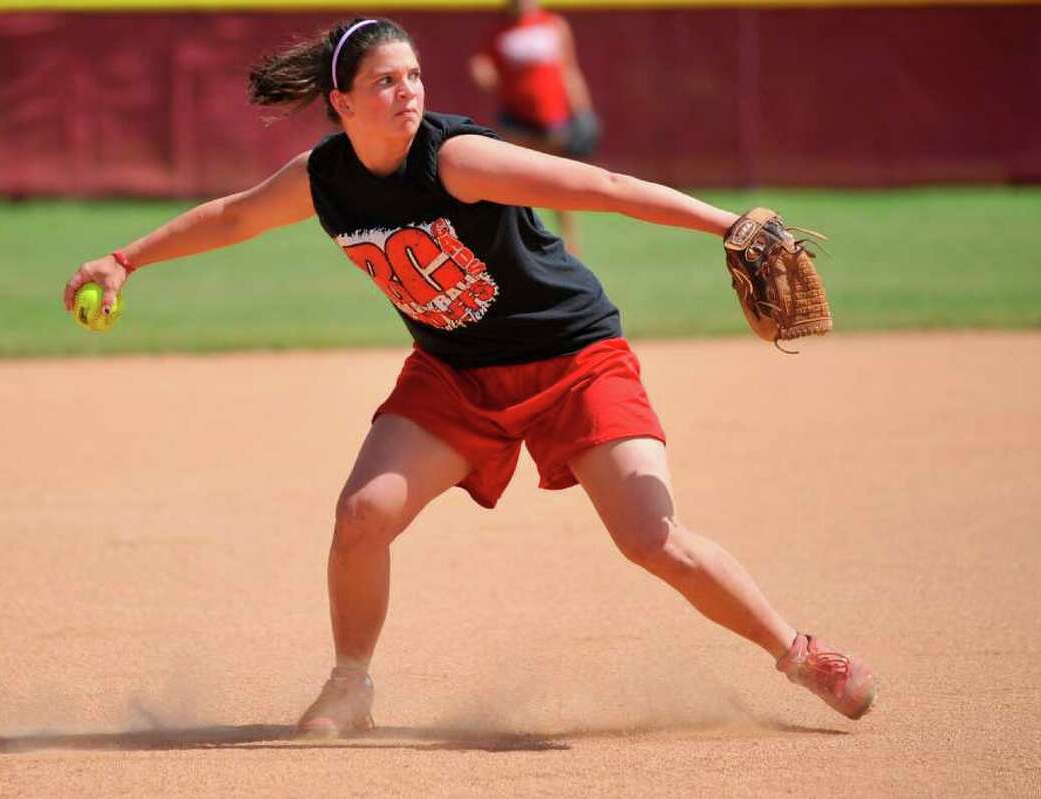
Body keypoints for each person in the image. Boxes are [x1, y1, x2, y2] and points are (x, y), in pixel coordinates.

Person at [63, 18, 878, 739]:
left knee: (651, 538)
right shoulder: (326, 178)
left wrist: (726, 223)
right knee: (362, 514)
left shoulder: (458, 159)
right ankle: (351, 685)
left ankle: (799, 654)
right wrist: (127, 257)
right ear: (342, 104)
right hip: (455, 373)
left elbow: (606, 189)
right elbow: (237, 214)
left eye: (414, 75)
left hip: (571, 357)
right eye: (385, 80)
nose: (407, 91)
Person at [468, 0, 601, 254]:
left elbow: (569, 69)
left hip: (552, 114)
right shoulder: (501, 29)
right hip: (516, 115)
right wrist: (482, 70)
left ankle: (570, 242)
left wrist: (583, 109)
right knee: (513, 178)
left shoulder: (553, 24)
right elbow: (484, 63)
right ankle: (518, 240)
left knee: (557, 181)